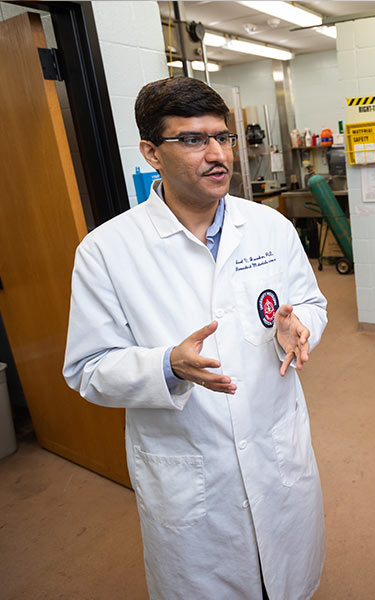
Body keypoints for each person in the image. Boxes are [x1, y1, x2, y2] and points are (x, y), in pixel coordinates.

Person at [63, 77, 327, 600]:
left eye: (222, 138)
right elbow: (88, 368)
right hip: (189, 465)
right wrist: (166, 367)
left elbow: (312, 304)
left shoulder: (269, 227)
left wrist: (300, 328)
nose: (217, 154)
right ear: (151, 153)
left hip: (276, 444)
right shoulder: (106, 251)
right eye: (192, 139)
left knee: (290, 577)